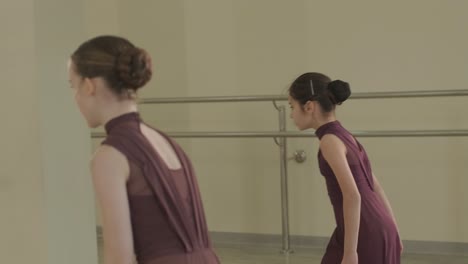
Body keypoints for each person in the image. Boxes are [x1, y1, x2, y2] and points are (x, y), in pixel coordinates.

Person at [68, 35, 220, 264]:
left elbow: (119, 256)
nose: (75, 98)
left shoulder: (109, 155)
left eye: (74, 87)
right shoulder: (164, 140)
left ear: (90, 86)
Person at [288, 72, 402, 264]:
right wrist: (394, 231)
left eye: (292, 107)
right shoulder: (344, 135)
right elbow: (376, 186)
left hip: (365, 232)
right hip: (378, 226)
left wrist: (350, 252)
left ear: (309, 106)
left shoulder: (329, 141)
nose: (291, 114)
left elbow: (352, 195)